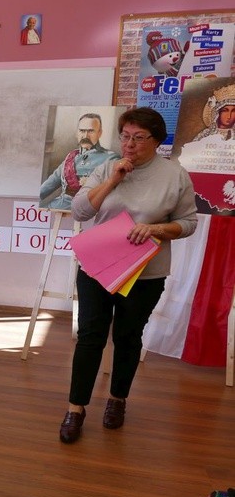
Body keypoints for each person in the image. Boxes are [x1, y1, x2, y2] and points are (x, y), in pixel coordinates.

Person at [59, 107, 197, 444]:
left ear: (156, 141)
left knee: (127, 336)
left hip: (145, 272)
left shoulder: (174, 175)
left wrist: (157, 228)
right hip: (98, 266)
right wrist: (113, 180)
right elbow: (80, 210)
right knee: (90, 335)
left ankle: (117, 400)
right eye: (124, 136)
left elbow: (188, 223)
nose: (129, 144)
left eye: (138, 138)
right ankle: (76, 408)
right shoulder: (106, 166)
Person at [40, 113, 120, 210]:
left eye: (91, 131)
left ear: (100, 133)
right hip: (60, 206)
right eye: (82, 131)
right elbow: (49, 184)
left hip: (88, 211)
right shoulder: (71, 157)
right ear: (77, 133)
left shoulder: (110, 158)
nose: (85, 136)